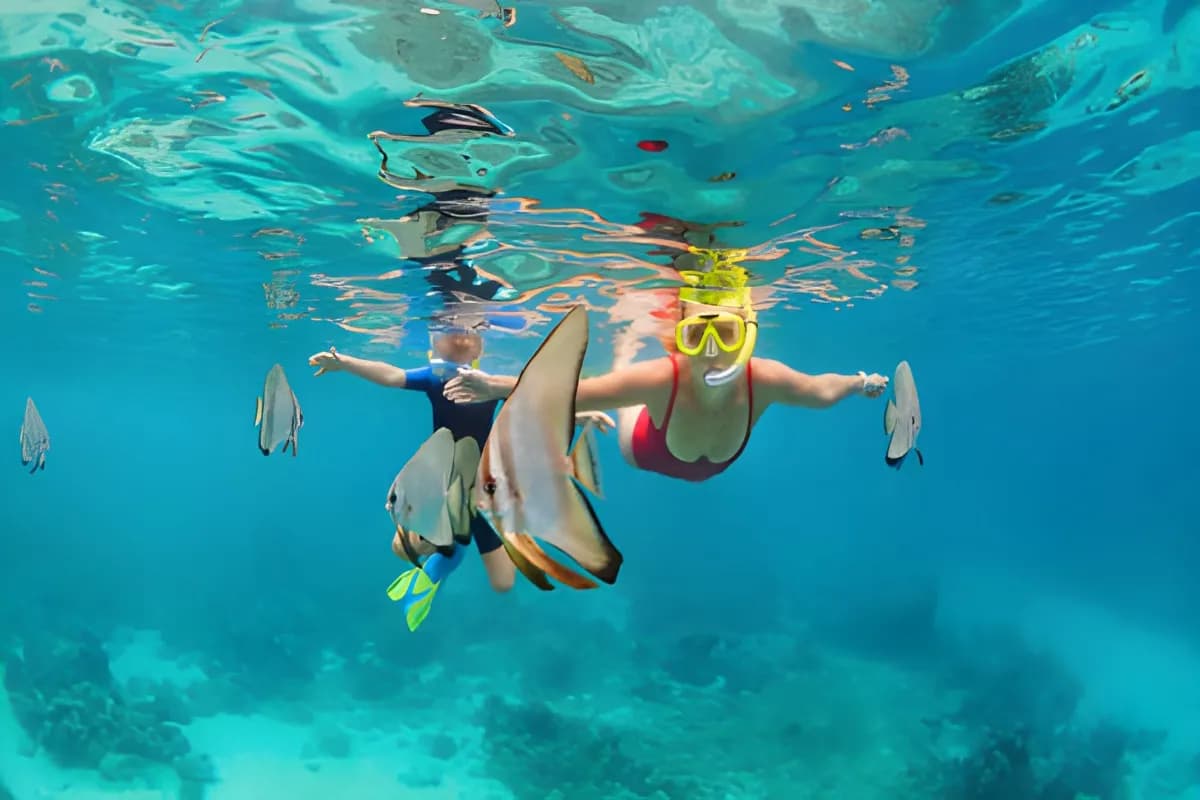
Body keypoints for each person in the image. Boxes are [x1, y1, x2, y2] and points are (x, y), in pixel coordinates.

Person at [443, 261, 889, 482]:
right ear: (680, 341)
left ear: (748, 335)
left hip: (712, 462)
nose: (713, 353)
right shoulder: (664, 378)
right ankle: (625, 351)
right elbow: (572, 392)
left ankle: (629, 357)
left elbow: (819, 391)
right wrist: (495, 385)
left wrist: (858, 383)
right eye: (697, 338)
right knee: (621, 390)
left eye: (728, 335)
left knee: (624, 390)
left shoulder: (763, 378)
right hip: (646, 452)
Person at [308, 318, 613, 626]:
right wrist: (345, 362)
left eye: (470, 330)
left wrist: (581, 415)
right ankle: (436, 568)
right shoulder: (436, 379)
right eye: (451, 328)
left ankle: (435, 569)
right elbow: (392, 375)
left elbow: (531, 409)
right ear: (433, 342)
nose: (462, 334)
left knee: (504, 582)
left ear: (481, 344)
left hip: (489, 488)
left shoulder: (489, 384)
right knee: (403, 548)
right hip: (447, 485)